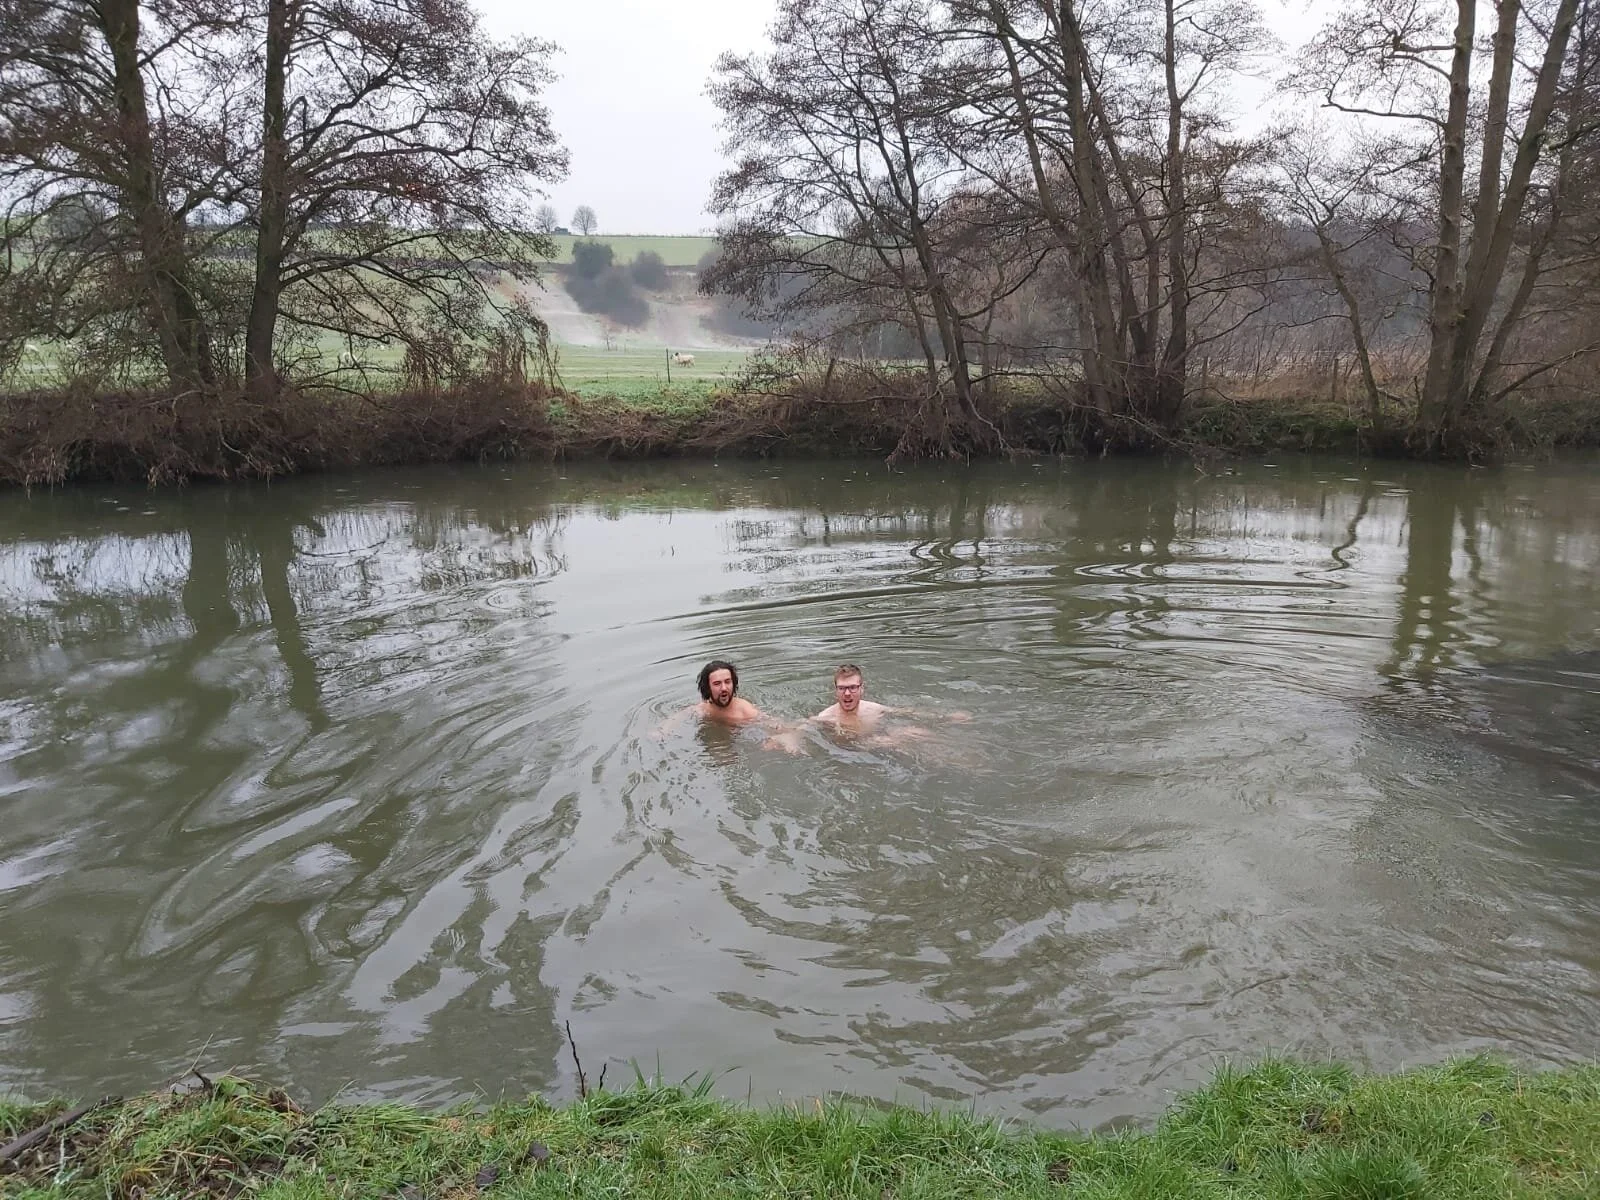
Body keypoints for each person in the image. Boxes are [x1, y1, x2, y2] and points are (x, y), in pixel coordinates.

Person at [656, 659, 771, 735]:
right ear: (707, 688)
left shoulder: (745, 711)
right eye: (717, 684)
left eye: (727, 682)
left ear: (734, 683)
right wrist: (663, 730)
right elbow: (679, 716)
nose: (724, 688)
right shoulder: (704, 709)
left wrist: (783, 736)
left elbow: (775, 724)